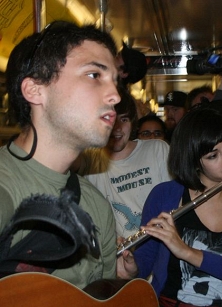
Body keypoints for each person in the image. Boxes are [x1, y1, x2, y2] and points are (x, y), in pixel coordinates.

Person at [0, 21, 118, 288]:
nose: (115, 96)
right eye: (94, 75)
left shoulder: (97, 207)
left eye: (115, 81)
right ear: (35, 90)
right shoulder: (6, 185)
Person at [119, 108, 222, 306]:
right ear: (194, 162)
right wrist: (133, 269)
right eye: (213, 156)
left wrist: (186, 251)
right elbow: (146, 260)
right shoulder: (164, 195)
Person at [74, 86, 171, 240]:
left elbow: (175, 201)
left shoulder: (157, 149)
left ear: (132, 123)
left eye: (124, 120)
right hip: (120, 253)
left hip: (162, 245)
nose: (117, 128)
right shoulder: (89, 160)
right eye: (109, 118)